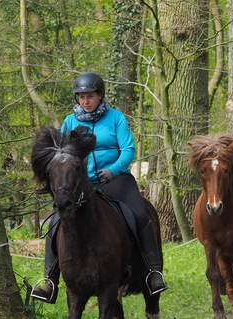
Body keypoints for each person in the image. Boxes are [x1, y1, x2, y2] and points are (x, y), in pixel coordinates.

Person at [31, 72, 167, 303]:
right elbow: (61, 155)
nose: (85, 101)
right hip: (80, 185)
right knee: (56, 222)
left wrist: (113, 170)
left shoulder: (116, 118)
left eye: (90, 96)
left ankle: (153, 272)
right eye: (81, 97)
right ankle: (50, 280)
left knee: (139, 214)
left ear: (100, 95)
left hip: (116, 180)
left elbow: (128, 149)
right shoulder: (70, 121)